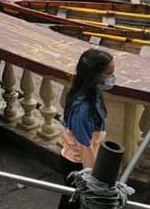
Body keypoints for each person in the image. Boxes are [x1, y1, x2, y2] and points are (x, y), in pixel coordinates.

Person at [58, 48, 115, 209]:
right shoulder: (84, 108)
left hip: (78, 160)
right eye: (108, 74)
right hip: (78, 163)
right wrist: (94, 177)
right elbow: (85, 146)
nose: (111, 78)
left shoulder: (88, 95)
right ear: (95, 76)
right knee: (75, 202)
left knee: (71, 199)